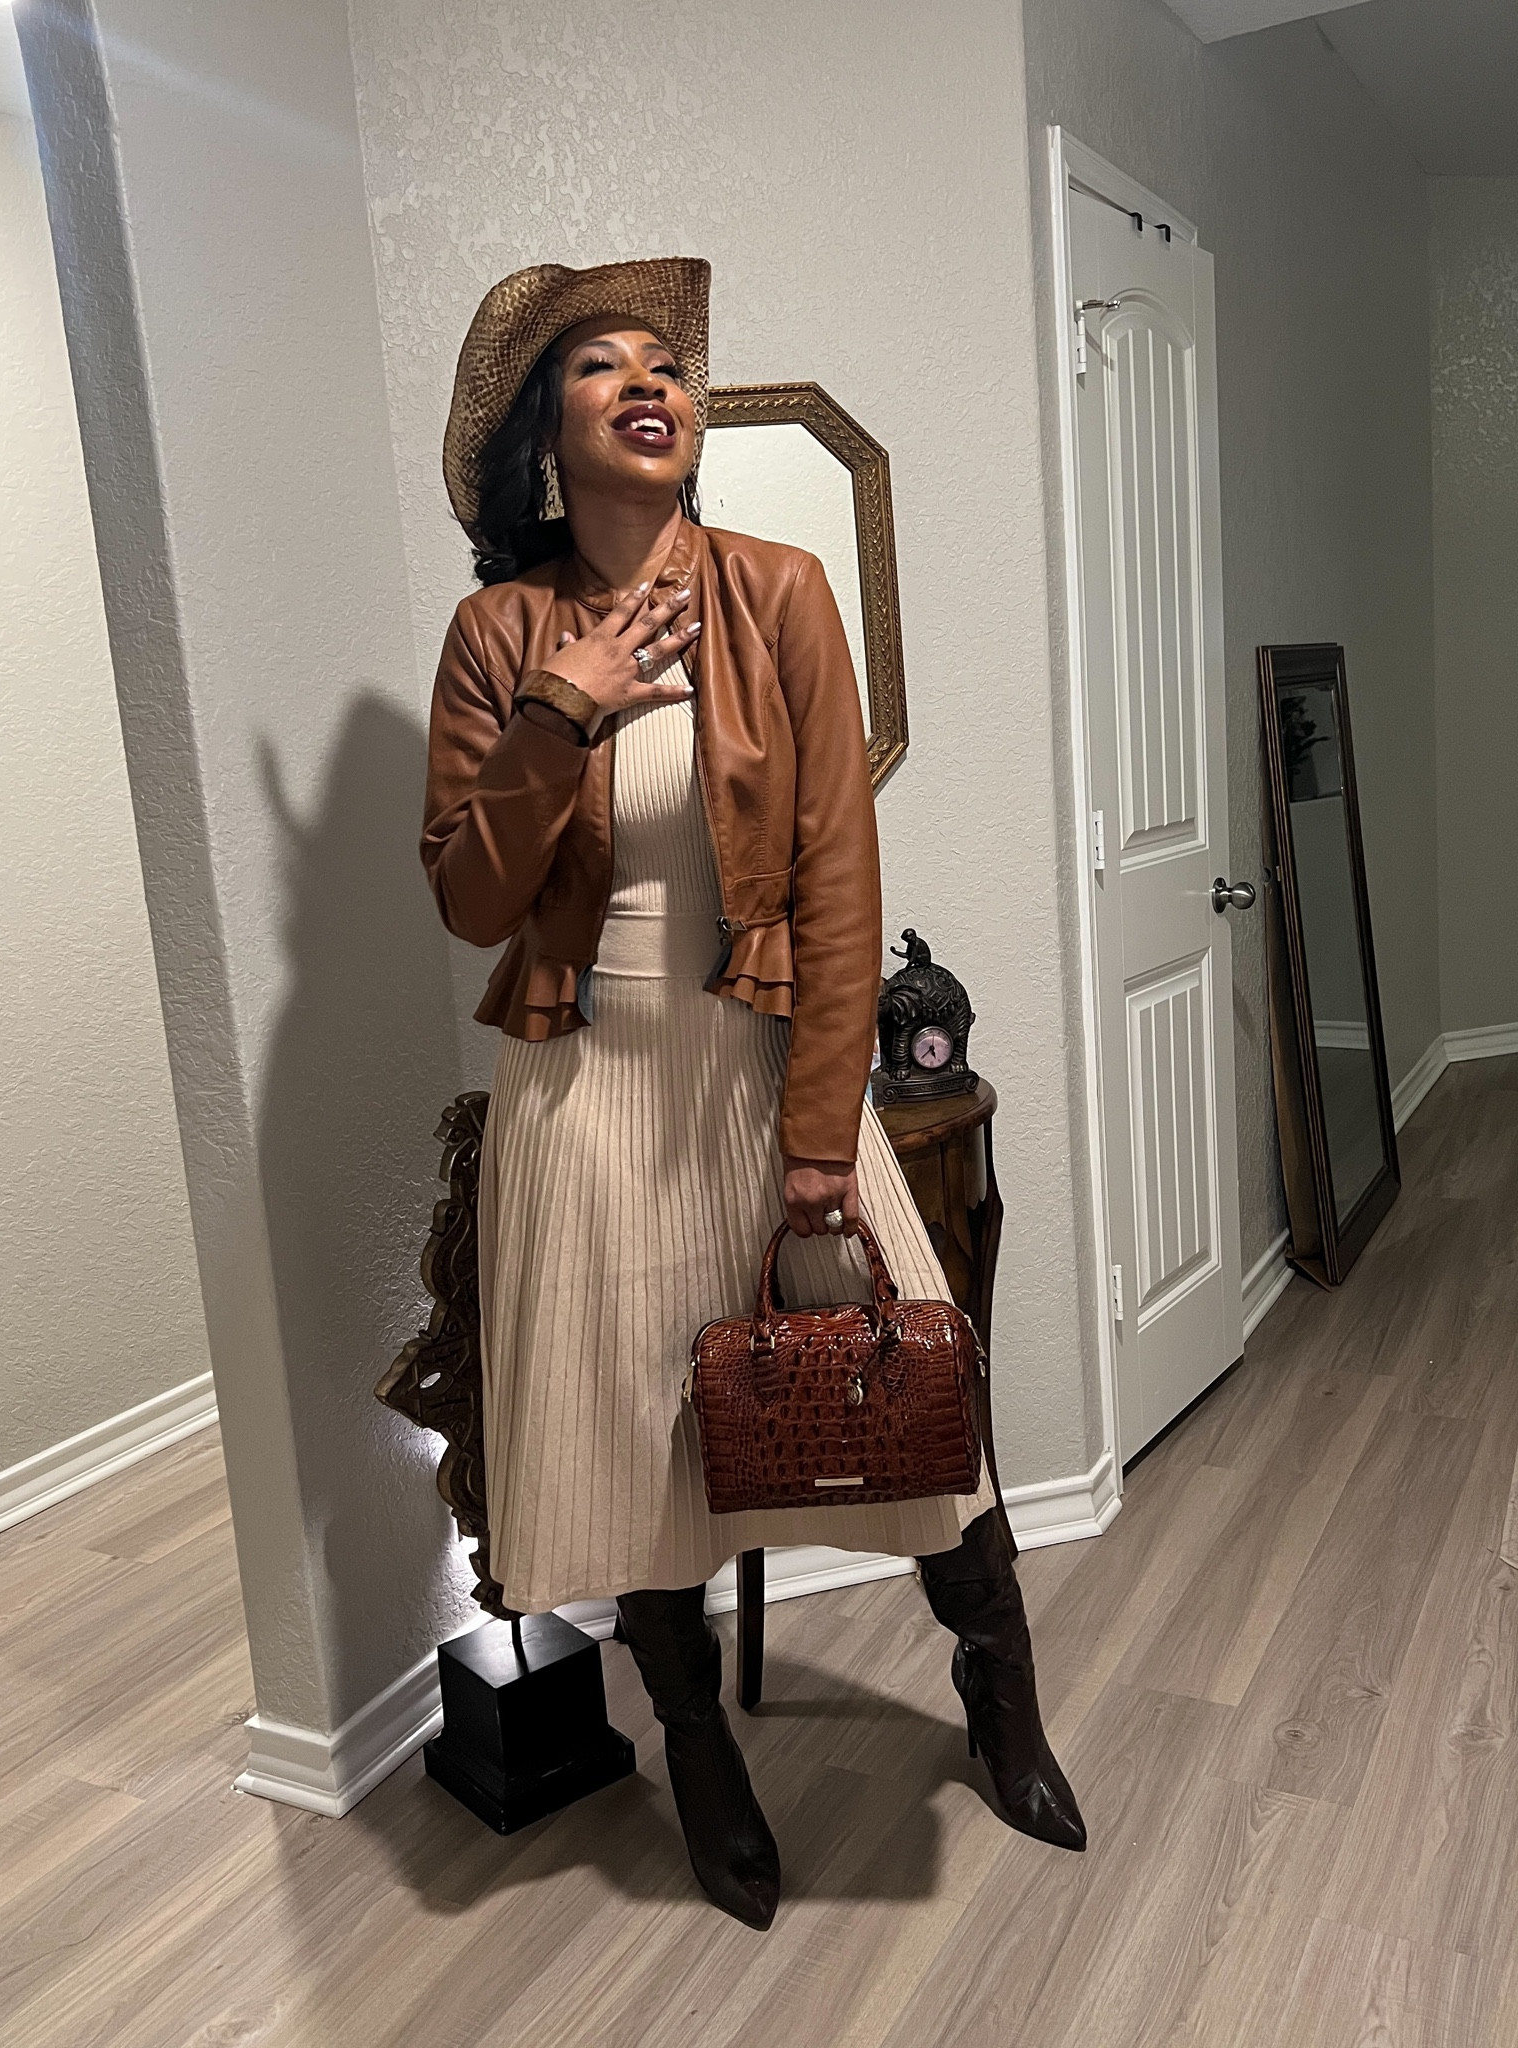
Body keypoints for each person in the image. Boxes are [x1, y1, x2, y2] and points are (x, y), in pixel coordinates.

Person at [421, 258, 1084, 1929]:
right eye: (600, 366)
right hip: (580, 1098)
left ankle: (997, 1692)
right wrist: (564, 712)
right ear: (542, 435)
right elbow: (468, 897)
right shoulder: (499, 634)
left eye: (668, 363)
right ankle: (699, 1752)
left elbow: (840, 881)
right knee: (645, 1452)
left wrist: (815, 1140)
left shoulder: (781, 589)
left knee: (917, 1407)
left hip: (755, 1068)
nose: (650, 380)